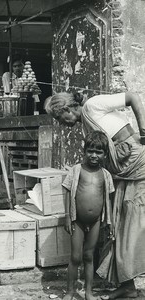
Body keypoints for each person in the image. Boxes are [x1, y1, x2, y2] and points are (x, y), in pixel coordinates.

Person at [45, 91, 145, 299]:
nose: (61, 124)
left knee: (134, 227)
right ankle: (128, 286)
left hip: (137, 165)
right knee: (118, 226)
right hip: (121, 173)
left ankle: (128, 284)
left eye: (59, 118)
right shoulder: (86, 127)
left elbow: (133, 97)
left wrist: (143, 128)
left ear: (66, 109)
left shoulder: (92, 106)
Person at [62, 130, 114, 300]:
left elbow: (108, 198)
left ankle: (89, 292)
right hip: (77, 220)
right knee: (76, 257)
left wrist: (110, 221)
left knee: (89, 256)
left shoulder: (105, 175)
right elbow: (68, 191)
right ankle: (70, 291)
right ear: (83, 152)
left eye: (98, 152)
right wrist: (68, 216)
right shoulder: (77, 170)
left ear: (105, 154)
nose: (93, 155)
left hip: (96, 222)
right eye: (90, 151)